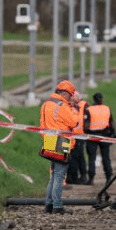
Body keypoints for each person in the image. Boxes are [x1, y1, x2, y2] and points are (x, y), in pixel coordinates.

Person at [40, 80, 81, 215]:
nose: (71, 97)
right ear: (64, 93)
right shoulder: (62, 105)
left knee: (53, 175)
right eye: (70, 94)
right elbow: (74, 122)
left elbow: (42, 123)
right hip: (61, 140)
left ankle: (49, 204)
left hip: (49, 139)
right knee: (59, 175)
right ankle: (57, 206)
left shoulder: (46, 104)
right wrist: (74, 107)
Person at [85, 92, 115, 185]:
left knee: (91, 158)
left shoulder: (89, 109)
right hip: (104, 136)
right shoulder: (107, 108)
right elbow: (111, 123)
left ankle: (91, 178)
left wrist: (86, 134)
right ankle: (108, 178)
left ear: (93, 99)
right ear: (102, 99)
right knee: (106, 157)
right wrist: (113, 135)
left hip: (92, 136)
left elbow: (85, 125)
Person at [67, 97, 89, 184]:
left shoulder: (76, 107)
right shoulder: (82, 106)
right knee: (77, 157)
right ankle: (74, 177)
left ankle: (73, 177)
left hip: (76, 136)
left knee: (75, 157)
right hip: (76, 135)